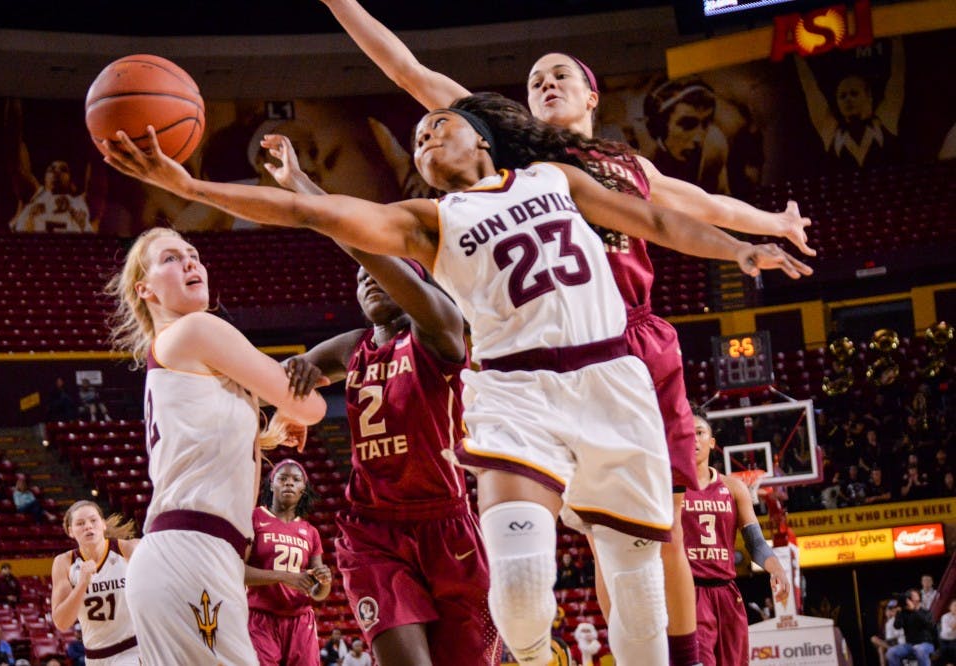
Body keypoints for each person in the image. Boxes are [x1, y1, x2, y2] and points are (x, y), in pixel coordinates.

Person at [103, 90, 810, 666]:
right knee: (529, 588)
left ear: (483, 140)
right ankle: (536, 656)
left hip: (608, 380)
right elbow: (315, 216)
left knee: (639, 593)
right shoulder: (430, 222)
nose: (426, 138)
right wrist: (192, 186)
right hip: (511, 395)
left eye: (440, 125)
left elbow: (654, 218)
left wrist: (740, 251)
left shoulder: (552, 179)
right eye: (417, 142)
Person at [309, 6, 817, 663]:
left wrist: (772, 225)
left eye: (557, 75)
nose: (543, 85)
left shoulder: (628, 165)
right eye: (532, 82)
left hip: (630, 342)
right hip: (537, 352)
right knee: (578, 545)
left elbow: (705, 205)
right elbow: (409, 71)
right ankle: (533, 642)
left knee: (653, 530)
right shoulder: (513, 150)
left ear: (591, 93)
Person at [270, 143, 497, 665]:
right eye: (360, 276)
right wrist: (292, 387)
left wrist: (308, 193)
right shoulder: (353, 347)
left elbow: (372, 253)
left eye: (384, 268)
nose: (368, 275)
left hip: (449, 524)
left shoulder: (441, 332)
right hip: (372, 530)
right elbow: (291, 374)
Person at [103, 226, 327, 665]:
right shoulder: (196, 330)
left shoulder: (181, 354)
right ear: (144, 289)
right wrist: (301, 397)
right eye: (170, 258)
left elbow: (207, 442)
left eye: (193, 253)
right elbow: (314, 406)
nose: (190, 262)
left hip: (192, 555)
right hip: (192, 552)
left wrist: (269, 433)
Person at [683, 410, 790, 666]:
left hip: (728, 593)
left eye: (700, 433)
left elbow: (755, 543)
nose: (694, 439)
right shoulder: (670, 488)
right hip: (689, 592)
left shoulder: (733, 488)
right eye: (687, 434)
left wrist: (777, 569)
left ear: (712, 442)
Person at [245, 458, 332, 666]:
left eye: (296, 480)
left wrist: (325, 582)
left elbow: (317, 593)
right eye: (283, 478)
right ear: (271, 484)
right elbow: (236, 571)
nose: (289, 483)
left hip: (301, 621)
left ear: (303, 488)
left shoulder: (310, 532)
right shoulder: (254, 518)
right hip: (261, 619)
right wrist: (284, 577)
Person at [50, 500, 141, 665]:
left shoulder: (126, 550)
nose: (88, 526)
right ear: (71, 531)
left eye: (93, 520)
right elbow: (61, 622)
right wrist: (82, 584)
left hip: (133, 648)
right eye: (80, 523)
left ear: (103, 524)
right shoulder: (64, 562)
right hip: (95, 656)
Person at [794, 41, 905, 172]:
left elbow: (898, 75)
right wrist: (796, 51)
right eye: (842, 96)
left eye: (854, 93)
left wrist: (897, 37)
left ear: (868, 96)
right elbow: (809, 88)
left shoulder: (886, 122)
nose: (848, 99)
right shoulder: (830, 131)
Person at [5, 98, 104, 233]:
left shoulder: (85, 202)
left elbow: (97, 165)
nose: (56, 172)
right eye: (51, 169)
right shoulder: (33, 195)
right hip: (31, 252)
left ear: (72, 182)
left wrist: (100, 114)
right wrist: (13, 100)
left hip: (72, 253)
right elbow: (14, 152)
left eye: (63, 170)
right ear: (44, 178)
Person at [887, 589, 936, 666]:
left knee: (919, 649)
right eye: (911, 598)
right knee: (891, 652)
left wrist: (914, 610)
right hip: (910, 644)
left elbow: (929, 625)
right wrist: (899, 612)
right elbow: (897, 626)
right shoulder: (904, 613)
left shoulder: (926, 612)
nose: (912, 600)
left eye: (915, 597)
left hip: (927, 644)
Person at [871, 600, 906, 666]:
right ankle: (890, 648)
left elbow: (900, 635)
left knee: (881, 648)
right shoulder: (886, 622)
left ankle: (891, 648)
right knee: (879, 646)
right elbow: (884, 636)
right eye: (888, 610)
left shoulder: (900, 618)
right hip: (889, 642)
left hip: (899, 642)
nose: (889, 612)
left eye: (892, 610)